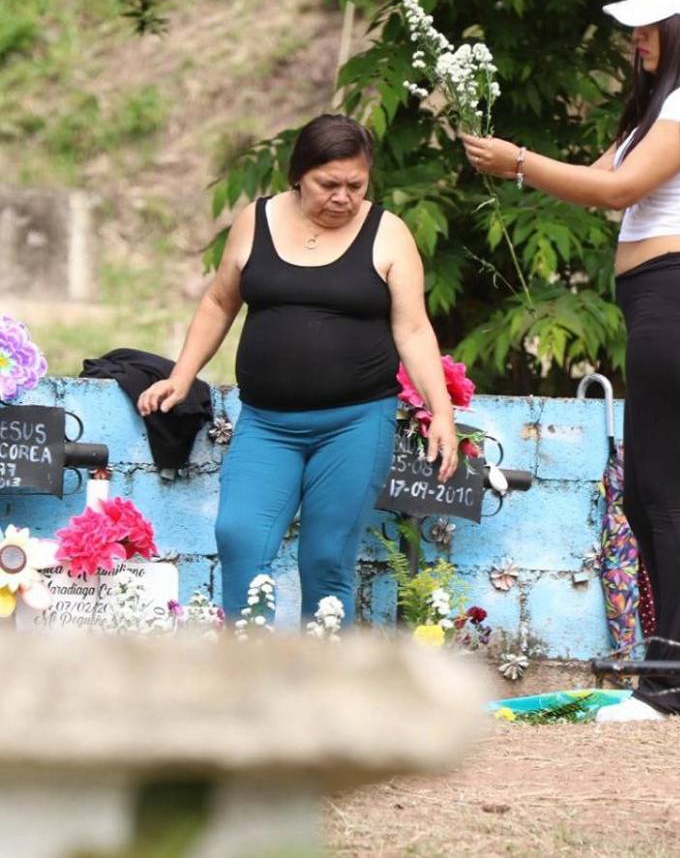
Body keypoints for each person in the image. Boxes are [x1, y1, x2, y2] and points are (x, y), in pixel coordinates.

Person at [464, 0, 680, 720]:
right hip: (663, 310)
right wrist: (519, 165)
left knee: (669, 503)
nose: (636, 38)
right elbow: (599, 182)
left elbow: (620, 191)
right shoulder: (671, 101)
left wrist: (519, 162)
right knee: (645, 496)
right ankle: (677, 676)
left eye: (650, 26)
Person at [139, 114, 459, 621]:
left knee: (327, 556)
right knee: (239, 535)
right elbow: (220, 302)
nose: (343, 197)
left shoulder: (388, 233)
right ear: (297, 175)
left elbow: (414, 329)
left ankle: (323, 667)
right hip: (267, 423)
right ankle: (249, 659)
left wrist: (441, 411)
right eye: (328, 184)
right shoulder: (256, 220)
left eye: (356, 185)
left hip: (355, 423)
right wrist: (181, 375)